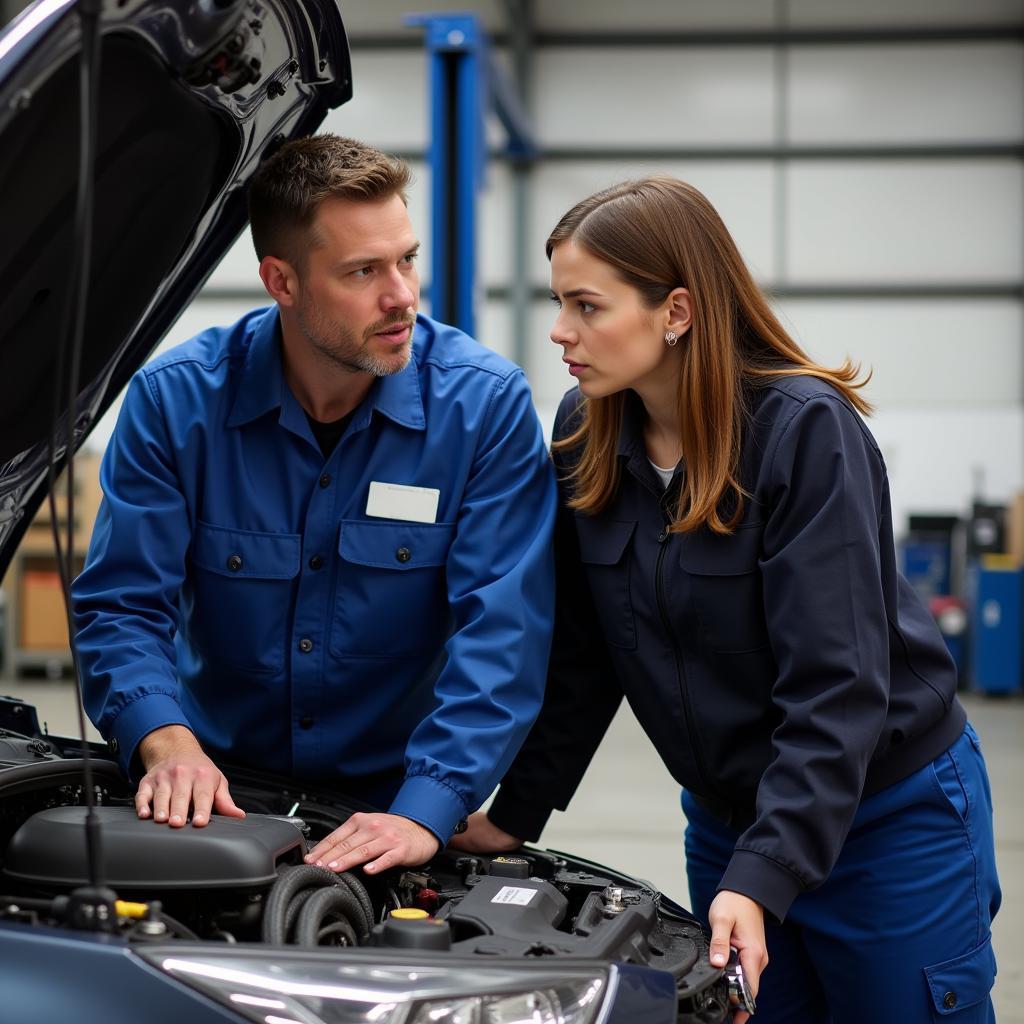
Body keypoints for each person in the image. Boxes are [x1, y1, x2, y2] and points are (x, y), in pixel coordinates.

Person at [451, 176, 1000, 1023]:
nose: (560, 331)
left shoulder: (803, 431)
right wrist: (511, 814)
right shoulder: (583, 430)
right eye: (558, 302)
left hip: (886, 823)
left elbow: (838, 684)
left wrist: (765, 874)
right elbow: (586, 656)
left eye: (587, 306)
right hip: (730, 822)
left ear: (676, 311)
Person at [72, 134, 556, 877]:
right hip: (216, 785)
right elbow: (123, 603)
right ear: (283, 281)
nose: (401, 295)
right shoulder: (175, 405)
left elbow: (502, 635)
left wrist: (427, 807)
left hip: (395, 797)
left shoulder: (482, 409)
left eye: (407, 259)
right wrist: (165, 742)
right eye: (363, 271)